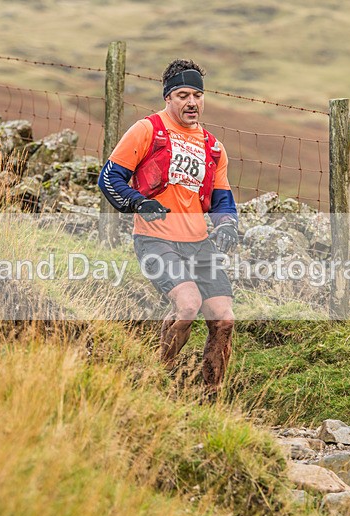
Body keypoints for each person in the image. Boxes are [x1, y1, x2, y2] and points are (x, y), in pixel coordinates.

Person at [98, 59, 239, 395]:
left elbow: (222, 198)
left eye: (197, 95)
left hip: (199, 243)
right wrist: (138, 202)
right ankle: (155, 378)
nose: (192, 102)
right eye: (182, 95)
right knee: (188, 305)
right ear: (168, 98)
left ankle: (212, 395)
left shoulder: (213, 147)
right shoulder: (147, 130)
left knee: (224, 318)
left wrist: (228, 223)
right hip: (155, 239)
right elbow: (109, 177)